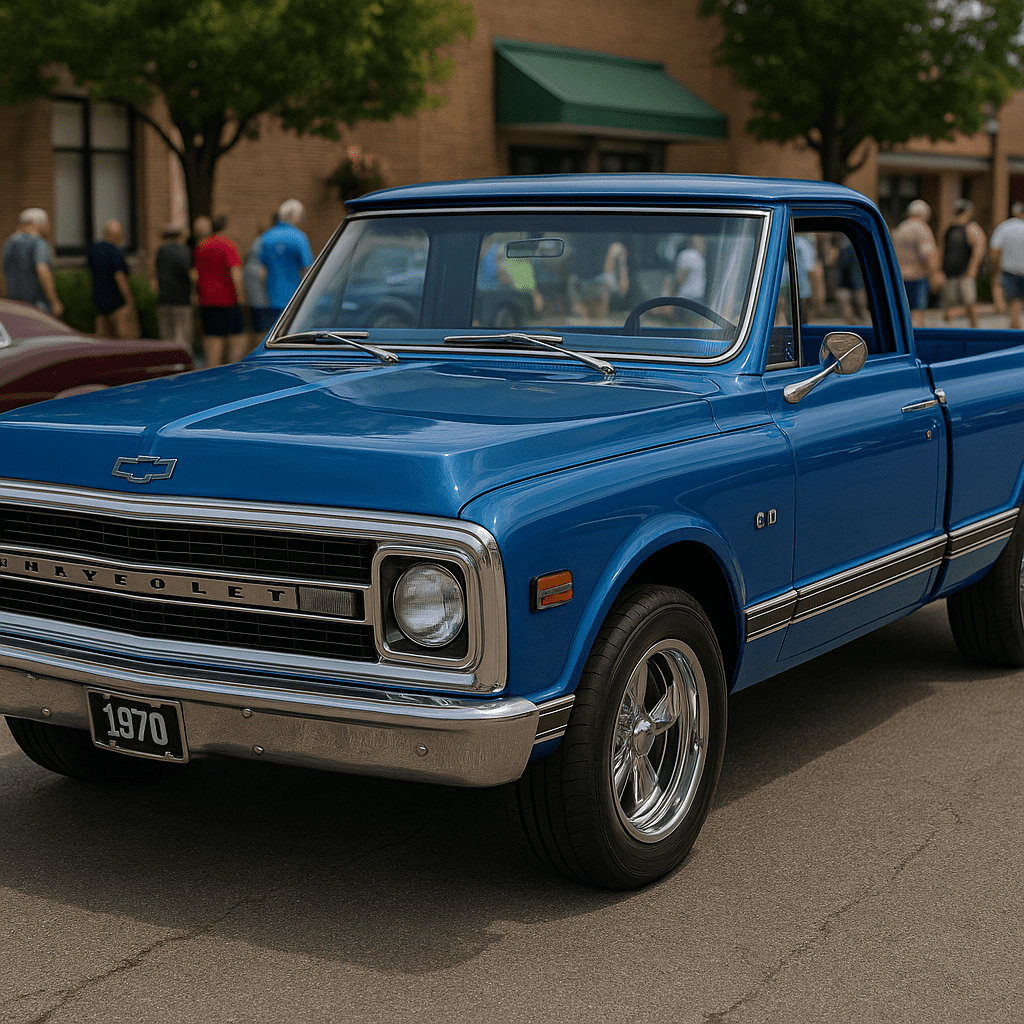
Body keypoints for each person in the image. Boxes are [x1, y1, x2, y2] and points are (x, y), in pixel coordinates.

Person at [192, 214, 246, 366]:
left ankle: (212, 377)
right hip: (227, 300)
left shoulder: (201, 246)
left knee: (212, 344)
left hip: (207, 301)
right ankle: (232, 376)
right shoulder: (227, 245)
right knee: (237, 342)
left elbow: (196, 275)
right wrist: (241, 299)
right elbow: (236, 274)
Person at [2, 208, 63, 317]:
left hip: (14, 306)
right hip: (37, 306)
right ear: (36, 223)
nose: (48, 227)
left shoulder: (9, 243)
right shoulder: (38, 243)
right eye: (46, 223)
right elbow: (42, 269)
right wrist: (55, 302)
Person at [259, 199, 314, 321]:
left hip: (270, 297)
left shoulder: (266, 237)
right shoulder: (299, 237)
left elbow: (262, 271)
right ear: (296, 216)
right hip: (294, 298)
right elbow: (307, 269)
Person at [891, 199, 942, 328]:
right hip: (917, 276)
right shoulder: (922, 229)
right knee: (917, 313)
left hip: (900, 276)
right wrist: (935, 274)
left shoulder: (901, 227)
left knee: (902, 312)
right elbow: (927, 255)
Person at [941, 199, 987, 329]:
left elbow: (979, 249)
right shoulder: (951, 228)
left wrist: (972, 269)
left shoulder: (972, 228)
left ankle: (973, 326)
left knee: (969, 301)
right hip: (950, 272)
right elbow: (943, 249)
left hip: (965, 272)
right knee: (950, 302)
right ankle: (952, 328)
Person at [87, 220, 137, 338]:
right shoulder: (115, 252)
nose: (122, 239)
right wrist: (130, 303)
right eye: (120, 235)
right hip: (118, 307)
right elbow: (120, 279)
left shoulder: (93, 250)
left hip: (99, 306)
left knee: (104, 344)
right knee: (123, 344)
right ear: (114, 235)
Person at [152, 225, 194, 349]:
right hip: (181, 301)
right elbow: (188, 273)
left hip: (164, 300)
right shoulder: (183, 251)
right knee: (183, 340)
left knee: (167, 341)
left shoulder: (160, 251)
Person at [990, 201, 1024, 331]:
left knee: (1012, 300)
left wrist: (994, 269)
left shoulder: (1003, 227)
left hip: (1009, 270)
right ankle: (1015, 326)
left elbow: (994, 251)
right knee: (1016, 303)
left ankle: (1014, 325)